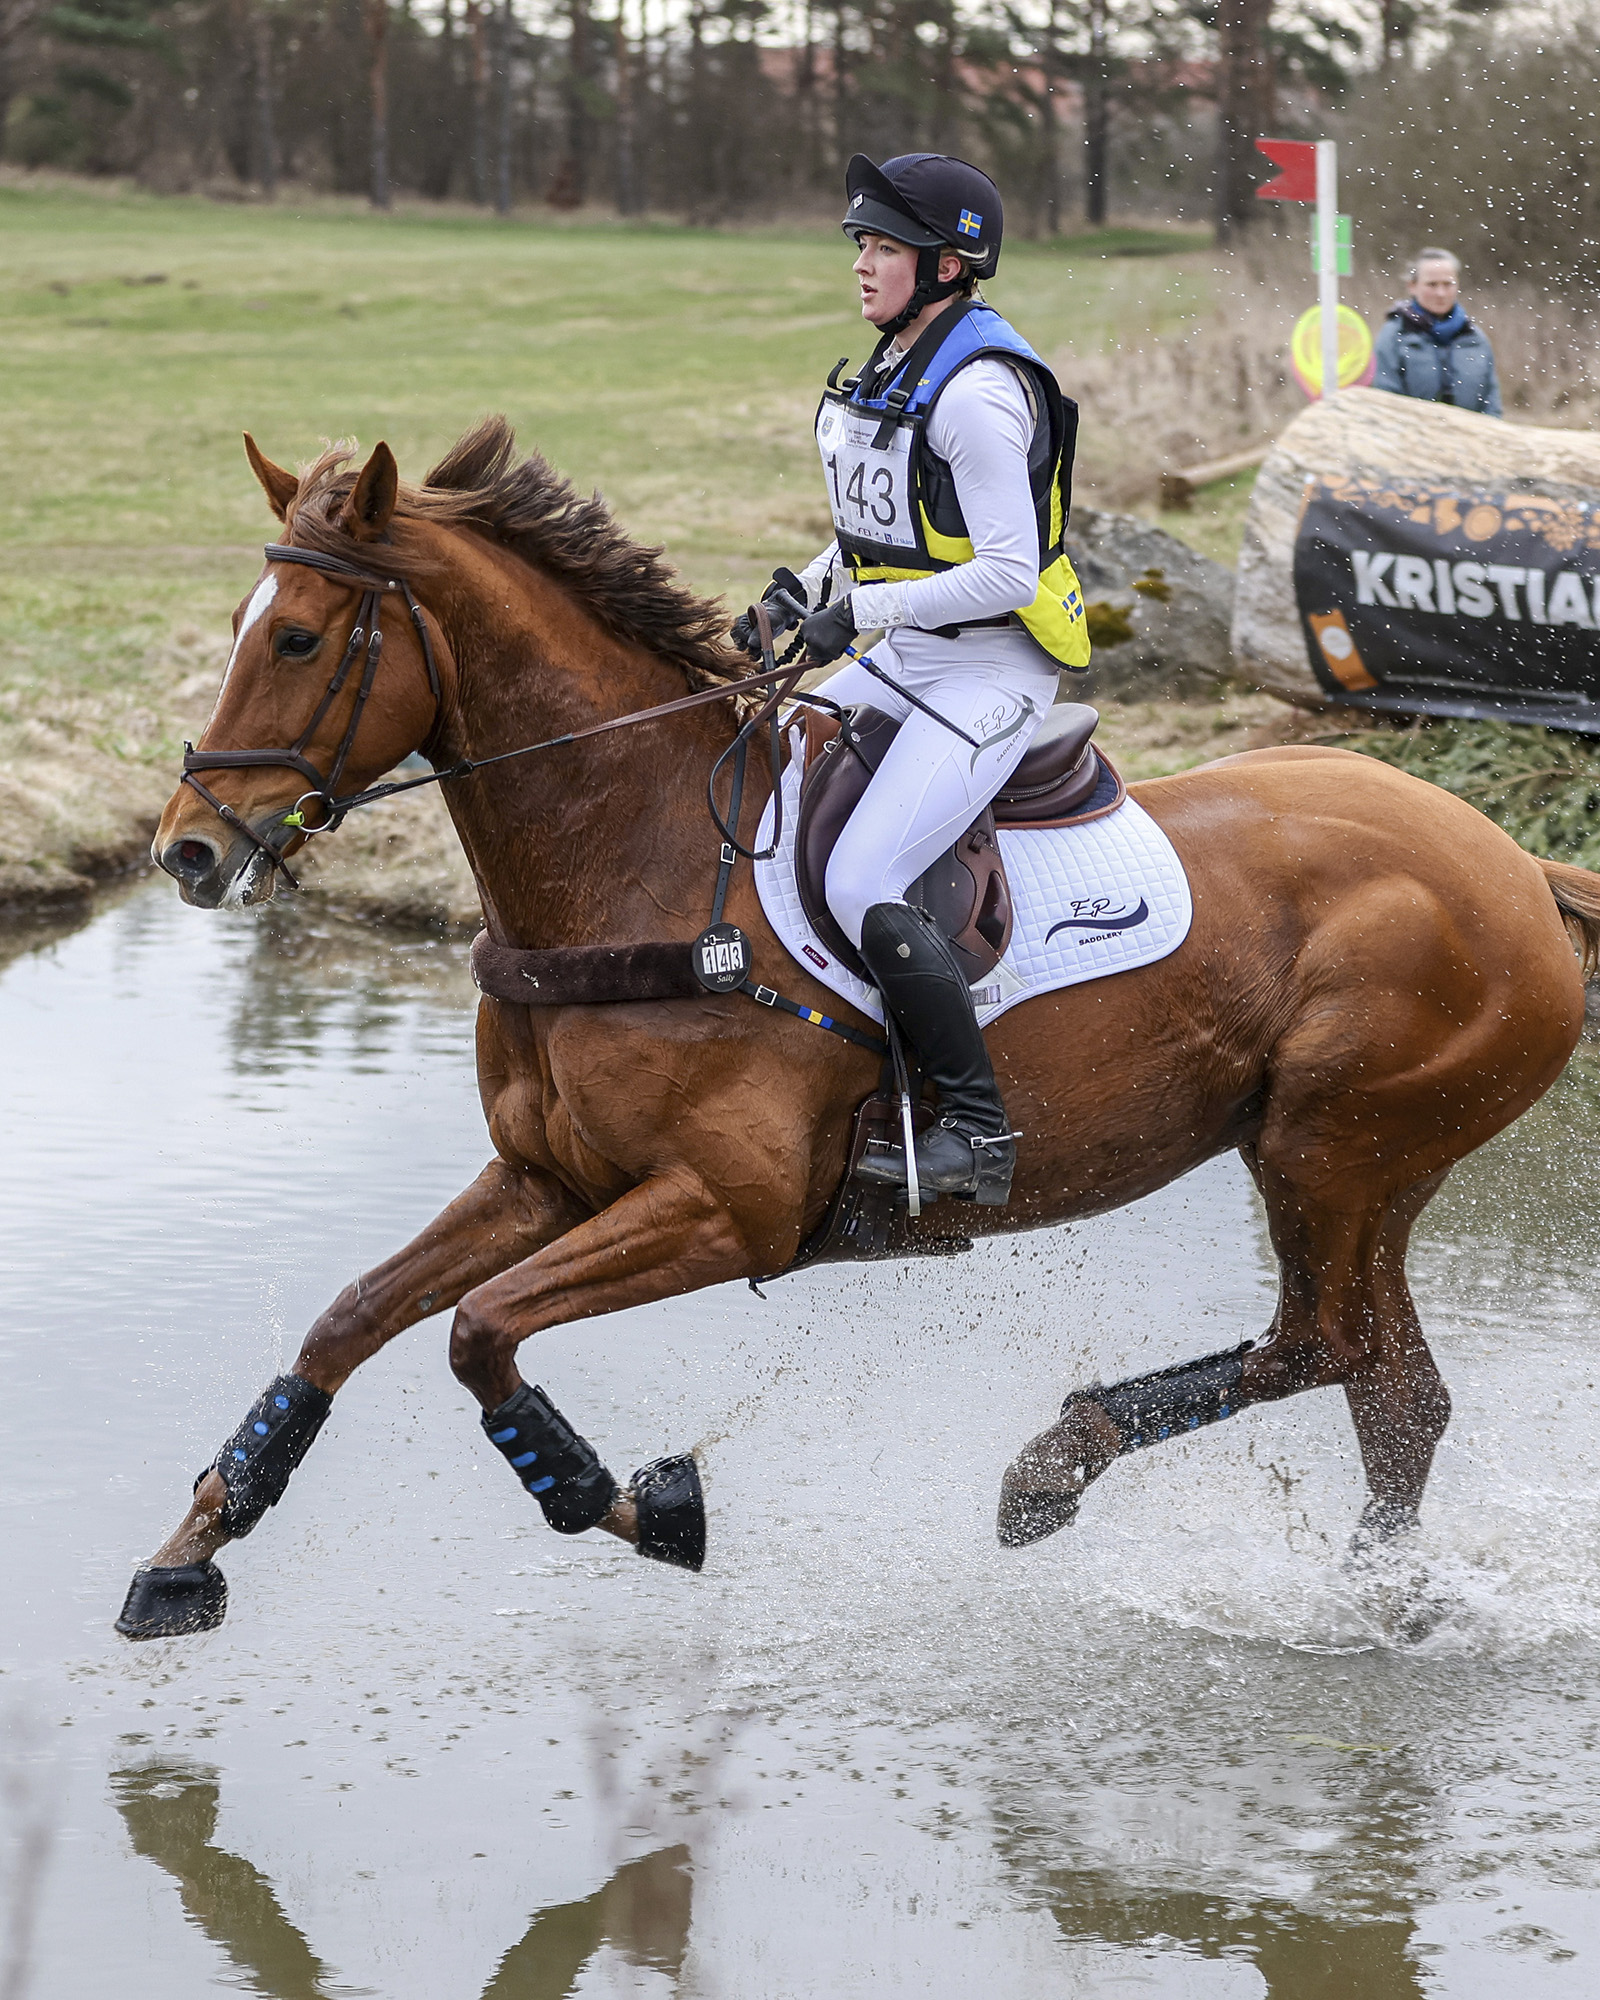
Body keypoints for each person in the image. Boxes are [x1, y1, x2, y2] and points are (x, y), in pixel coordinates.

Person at [733, 153, 1090, 1206]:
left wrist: (863, 615)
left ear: (945, 263)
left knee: (859, 876)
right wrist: (798, 597)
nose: (863, 263)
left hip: (993, 667)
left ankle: (976, 1131)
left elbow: (1005, 571)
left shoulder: (978, 393)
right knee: (751, 761)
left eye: (884, 246)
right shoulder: (893, 366)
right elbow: (874, 537)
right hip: (907, 652)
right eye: (861, 243)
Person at [1372, 248, 1502, 416]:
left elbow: (1491, 404)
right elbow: (1384, 400)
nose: (1440, 293)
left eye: (1447, 284)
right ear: (1412, 286)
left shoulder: (1476, 338)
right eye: (1432, 284)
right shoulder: (1394, 336)